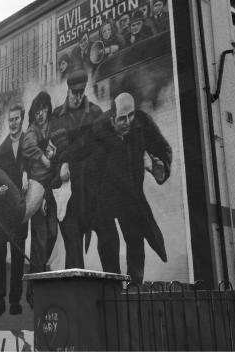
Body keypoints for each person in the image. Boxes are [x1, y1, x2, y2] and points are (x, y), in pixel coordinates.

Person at [90, 92, 172, 283]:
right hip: (105, 194)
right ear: (112, 119)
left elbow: (163, 148)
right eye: (122, 118)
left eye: (131, 116)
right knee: (109, 240)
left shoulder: (141, 123)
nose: (128, 122)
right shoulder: (98, 129)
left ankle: (135, 286)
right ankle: (113, 286)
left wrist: (159, 168)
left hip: (131, 193)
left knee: (135, 237)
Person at [51, 70, 103, 269]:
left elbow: (95, 148)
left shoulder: (95, 113)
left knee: (79, 241)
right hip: (65, 193)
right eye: (74, 92)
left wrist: (66, 158)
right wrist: (60, 165)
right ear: (68, 90)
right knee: (72, 242)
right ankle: (74, 290)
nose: (78, 96)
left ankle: (74, 289)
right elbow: (52, 148)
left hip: (88, 191)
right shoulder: (57, 115)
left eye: (81, 92)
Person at [21, 91, 61, 306]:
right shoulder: (33, 131)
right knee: (40, 239)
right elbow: (27, 145)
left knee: (52, 233)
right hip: (36, 191)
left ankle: (38, 269)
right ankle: (34, 292)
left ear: (48, 109)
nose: (39, 115)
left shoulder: (53, 127)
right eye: (36, 111)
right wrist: (43, 158)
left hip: (48, 190)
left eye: (43, 110)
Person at [0, 104, 28, 317]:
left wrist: (26, 174)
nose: (13, 123)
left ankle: (15, 301)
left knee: (17, 258)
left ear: (22, 120)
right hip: (1, 213)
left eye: (16, 119)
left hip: (19, 213)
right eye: (10, 119)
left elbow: (35, 168)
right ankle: (0, 301)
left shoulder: (28, 144)